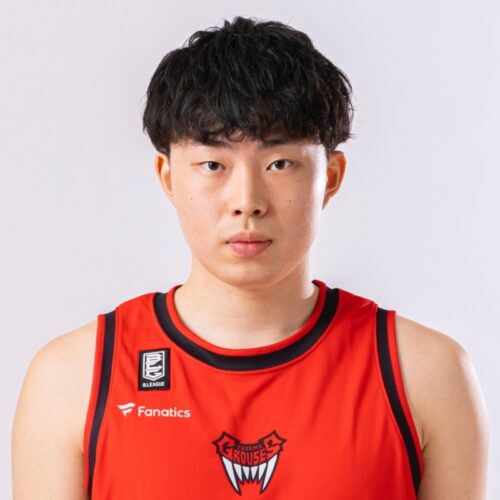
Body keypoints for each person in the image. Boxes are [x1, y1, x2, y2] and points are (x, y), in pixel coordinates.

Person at [12, 15, 489, 500]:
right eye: (213, 164)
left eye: (279, 163)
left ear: (330, 177)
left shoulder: (424, 374)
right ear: (168, 177)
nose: (247, 201)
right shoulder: (73, 379)